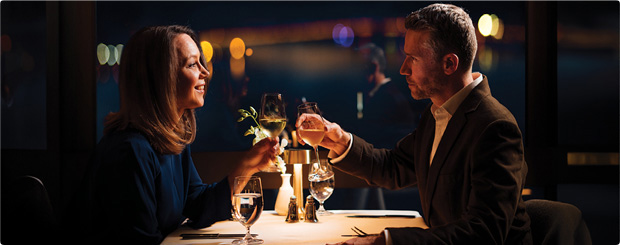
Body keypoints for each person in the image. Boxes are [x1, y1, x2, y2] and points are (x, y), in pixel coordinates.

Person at [299, 4, 532, 244]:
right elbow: (393, 167)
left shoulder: (495, 128)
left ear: (449, 64)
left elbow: (484, 234)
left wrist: (386, 241)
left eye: (413, 59)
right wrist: (340, 140)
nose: (402, 69)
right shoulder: (438, 114)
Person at [74, 25, 279, 244]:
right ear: (162, 77)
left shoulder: (170, 139)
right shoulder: (130, 151)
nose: (205, 72)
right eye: (192, 64)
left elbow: (198, 206)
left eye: (201, 61)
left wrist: (247, 166)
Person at [355, 43, 422, 148]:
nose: (355, 73)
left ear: (373, 67)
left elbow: (372, 139)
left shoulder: (386, 99)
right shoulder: (388, 93)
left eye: (359, 67)